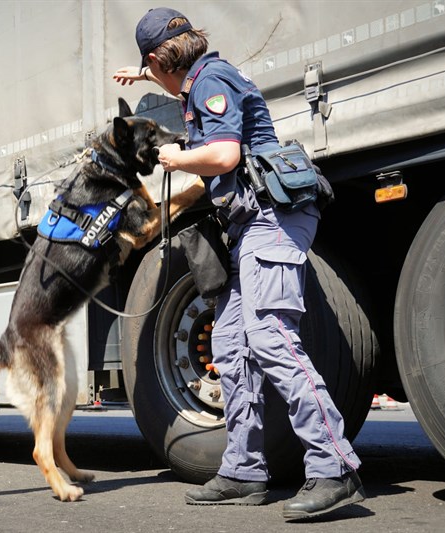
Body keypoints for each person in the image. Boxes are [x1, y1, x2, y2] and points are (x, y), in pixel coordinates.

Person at [113, 7, 366, 520]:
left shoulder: (213, 80)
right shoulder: (198, 75)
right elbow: (177, 77)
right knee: (230, 344)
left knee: (271, 337)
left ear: (165, 59)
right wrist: (143, 74)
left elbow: (226, 155)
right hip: (246, 225)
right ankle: (244, 471)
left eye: (152, 68)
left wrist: (176, 158)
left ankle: (334, 466)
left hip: (271, 219)